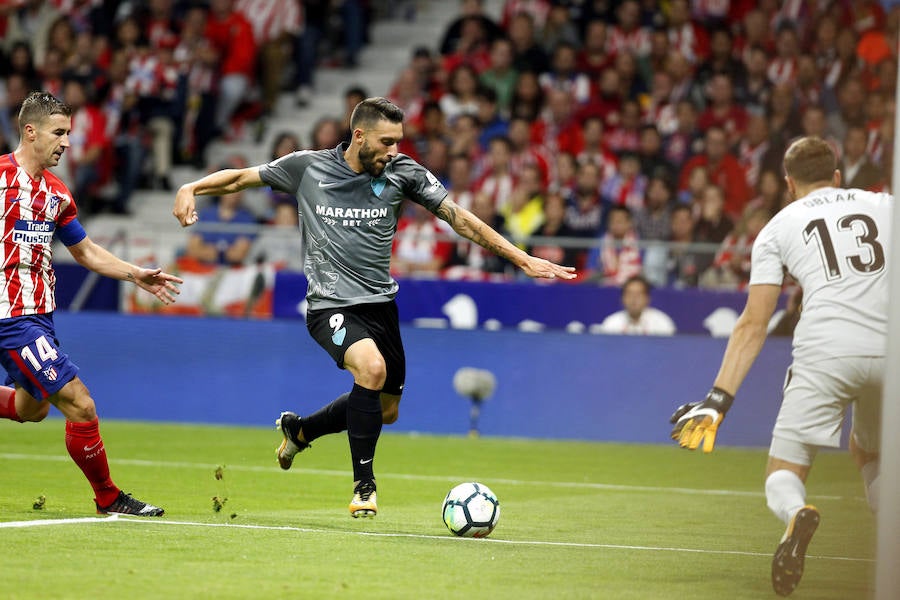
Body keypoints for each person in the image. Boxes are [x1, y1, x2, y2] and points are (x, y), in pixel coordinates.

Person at [172, 97, 575, 518]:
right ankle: (364, 488)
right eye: (386, 142)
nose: (394, 151)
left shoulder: (404, 173)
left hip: (380, 305)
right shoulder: (308, 167)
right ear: (359, 136)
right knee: (371, 369)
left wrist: (521, 257)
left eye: (398, 142)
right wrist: (192, 187)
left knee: (387, 410)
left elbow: (458, 217)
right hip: (329, 305)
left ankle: (301, 429)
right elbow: (241, 179)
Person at [669, 137, 889, 596]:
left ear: (789, 184)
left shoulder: (776, 227)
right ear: (836, 177)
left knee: (784, 470)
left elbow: (752, 324)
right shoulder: (886, 205)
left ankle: (795, 515)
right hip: (892, 348)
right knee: (871, 453)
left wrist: (718, 401)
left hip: (826, 349)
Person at [0, 91, 183, 516]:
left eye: (69, 133)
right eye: (58, 132)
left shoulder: (57, 193)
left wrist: (134, 273)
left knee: (33, 408)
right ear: (30, 131)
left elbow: (85, 251)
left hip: (39, 316)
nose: (67, 142)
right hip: (10, 316)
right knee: (80, 404)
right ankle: (109, 498)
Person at [593, 275, 676, 336]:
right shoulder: (611, 324)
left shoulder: (662, 323)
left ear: (647, 298)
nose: (634, 299)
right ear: (622, 298)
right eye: (629, 294)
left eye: (639, 294)